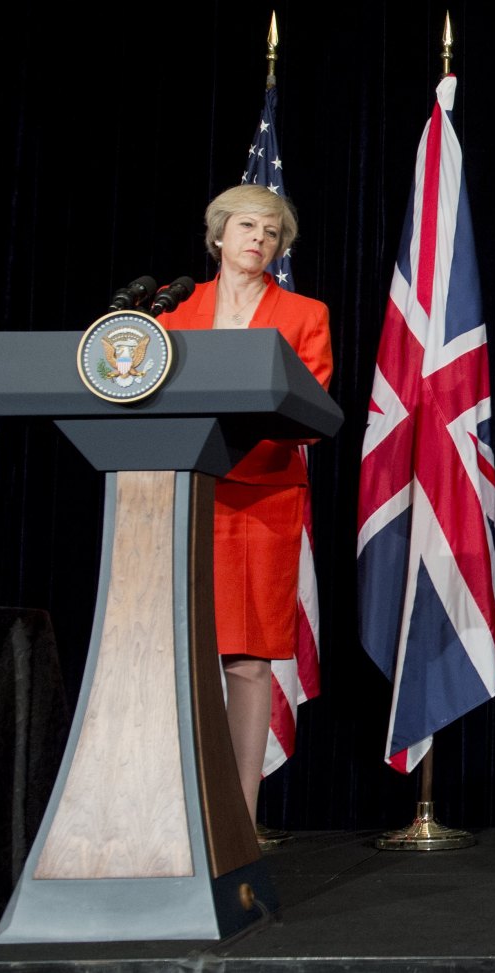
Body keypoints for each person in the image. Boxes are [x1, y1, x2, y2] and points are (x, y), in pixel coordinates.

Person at [156, 184, 333, 826]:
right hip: (183, 493)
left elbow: (311, 409)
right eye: (247, 226)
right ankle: (176, 813)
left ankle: (239, 820)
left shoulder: (304, 314)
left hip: (261, 499)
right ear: (219, 235)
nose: (259, 238)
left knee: (249, 659)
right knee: (177, 654)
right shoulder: (172, 311)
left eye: (271, 231)